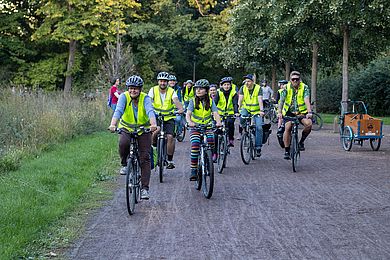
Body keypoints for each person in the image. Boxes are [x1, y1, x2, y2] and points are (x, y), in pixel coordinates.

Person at [108, 75, 157, 200]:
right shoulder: (124, 97)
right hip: (126, 127)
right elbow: (118, 111)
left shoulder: (145, 98)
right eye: (130, 88)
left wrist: (153, 124)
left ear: (140, 89)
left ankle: (144, 188)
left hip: (143, 129)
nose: (132, 91)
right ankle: (124, 163)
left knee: (144, 157)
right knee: (123, 143)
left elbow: (150, 111)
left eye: (135, 88)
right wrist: (113, 124)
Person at [186, 79, 222, 181]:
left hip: (207, 127)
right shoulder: (192, 101)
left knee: (211, 141)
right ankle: (193, 169)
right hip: (195, 128)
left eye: (201, 89)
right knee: (195, 144)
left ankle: (208, 161)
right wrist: (190, 122)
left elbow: (215, 113)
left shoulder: (210, 101)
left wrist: (218, 122)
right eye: (197, 88)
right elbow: (188, 114)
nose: (198, 90)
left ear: (206, 91)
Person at [149, 71, 184, 169]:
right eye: (161, 81)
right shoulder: (153, 90)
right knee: (154, 131)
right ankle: (153, 147)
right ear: (158, 81)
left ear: (167, 82)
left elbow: (176, 101)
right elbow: (149, 101)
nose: (162, 83)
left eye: (164, 81)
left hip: (169, 117)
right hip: (156, 116)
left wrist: (180, 109)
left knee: (170, 137)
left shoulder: (171, 91)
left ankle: (169, 160)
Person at [277, 71, 313, 160]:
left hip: (301, 112)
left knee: (309, 124)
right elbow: (281, 100)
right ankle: (287, 150)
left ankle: (301, 142)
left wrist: (309, 112)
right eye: (293, 79)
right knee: (288, 127)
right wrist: (279, 112)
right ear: (290, 80)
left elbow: (306, 99)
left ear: (300, 80)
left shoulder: (304, 87)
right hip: (289, 112)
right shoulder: (286, 87)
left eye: (297, 79)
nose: (295, 81)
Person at [238, 74, 265, 157]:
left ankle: (258, 147)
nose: (247, 83)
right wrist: (238, 109)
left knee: (259, 127)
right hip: (246, 109)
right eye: (246, 81)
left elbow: (260, 100)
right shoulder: (243, 88)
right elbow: (240, 100)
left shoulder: (258, 88)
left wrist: (261, 110)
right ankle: (244, 130)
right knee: (242, 118)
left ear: (253, 82)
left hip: (256, 111)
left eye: (249, 81)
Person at [214, 76, 239, 147]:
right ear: (222, 85)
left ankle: (231, 139)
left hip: (230, 113)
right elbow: (214, 103)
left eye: (228, 84)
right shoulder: (218, 92)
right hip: (219, 114)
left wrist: (236, 112)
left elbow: (235, 104)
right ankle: (215, 150)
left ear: (230, 85)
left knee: (230, 124)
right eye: (225, 85)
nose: (226, 86)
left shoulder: (233, 93)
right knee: (217, 129)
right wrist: (212, 112)